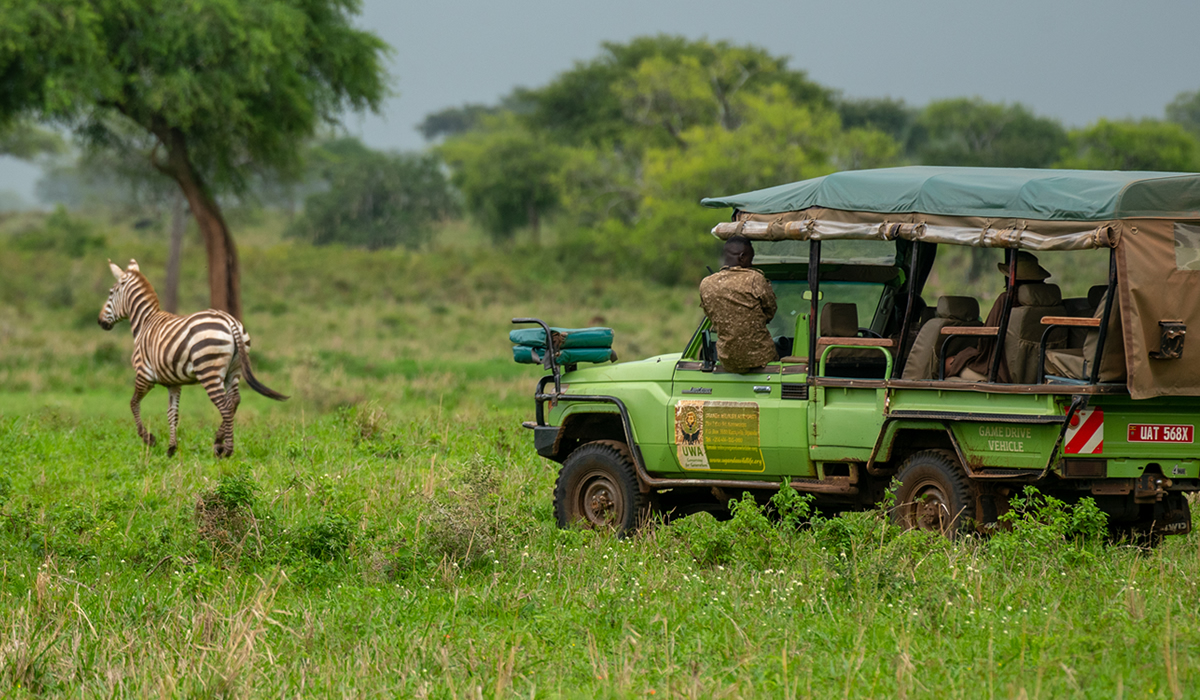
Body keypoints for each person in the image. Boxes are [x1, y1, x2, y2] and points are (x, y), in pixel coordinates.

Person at [946, 250, 1052, 382]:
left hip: (1001, 372)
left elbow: (986, 338)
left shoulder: (1007, 300)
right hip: (1036, 375)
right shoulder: (1050, 306)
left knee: (947, 363)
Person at [699, 235, 778, 372]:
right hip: (761, 358)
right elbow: (770, 311)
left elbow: (711, 317)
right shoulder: (755, 279)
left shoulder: (706, 284)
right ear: (742, 257)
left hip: (726, 359)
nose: (751, 264)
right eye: (750, 259)